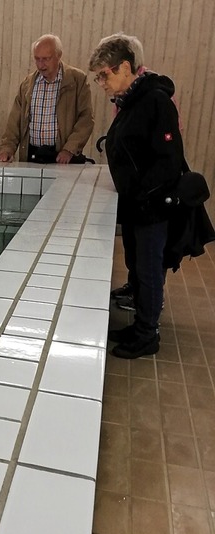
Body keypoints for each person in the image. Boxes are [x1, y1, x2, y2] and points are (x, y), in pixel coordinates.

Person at [88, 35, 184, 359]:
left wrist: (144, 196)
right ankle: (138, 324)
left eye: (104, 74)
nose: (101, 83)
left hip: (151, 208)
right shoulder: (129, 101)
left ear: (125, 67)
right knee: (136, 267)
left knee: (149, 269)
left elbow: (168, 159)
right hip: (134, 204)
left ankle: (147, 334)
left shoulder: (156, 101)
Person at [0, 34, 94, 164]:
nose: (40, 65)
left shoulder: (77, 80)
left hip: (62, 157)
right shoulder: (27, 84)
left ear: (58, 55)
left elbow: (86, 118)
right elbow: (14, 121)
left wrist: (70, 149)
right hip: (31, 154)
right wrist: (7, 148)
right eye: (37, 59)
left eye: (46, 59)